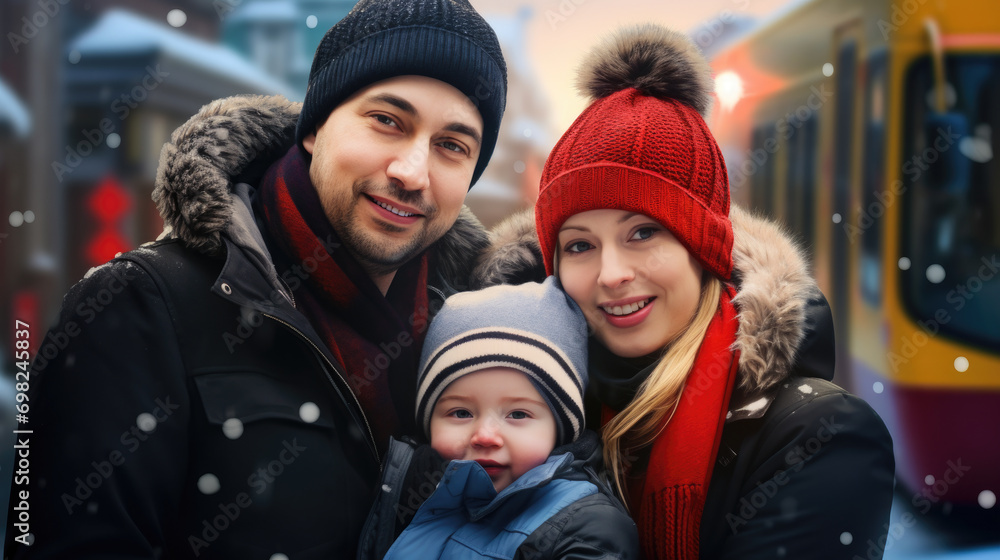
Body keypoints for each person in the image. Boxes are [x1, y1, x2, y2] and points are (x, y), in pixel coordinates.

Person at [5, 0, 507, 558]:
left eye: (452, 146)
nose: (412, 172)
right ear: (315, 126)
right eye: (387, 121)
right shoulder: (140, 307)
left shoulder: (473, 349)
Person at [476, 25, 895, 560]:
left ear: (705, 252)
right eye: (579, 246)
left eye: (643, 233)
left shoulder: (818, 435)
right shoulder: (526, 404)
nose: (610, 274)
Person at [356, 278, 639, 560]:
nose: (485, 436)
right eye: (461, 413)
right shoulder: (405, 493)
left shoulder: (585, 529)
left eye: (517, 414)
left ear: (560, 429)